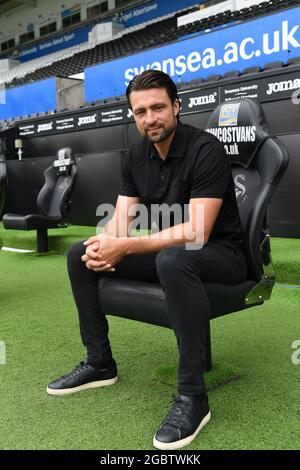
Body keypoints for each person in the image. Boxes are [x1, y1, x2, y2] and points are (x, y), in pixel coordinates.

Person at [47, 70, 248, 450]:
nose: (150, 118)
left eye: (158, 107)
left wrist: (125, 247)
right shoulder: (136, 153)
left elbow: (198, 231)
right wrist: (103, 244)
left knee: (174, 260)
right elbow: (119, 222)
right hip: (173, 254)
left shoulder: (206, 149)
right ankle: (99, 363)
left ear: (176, 106)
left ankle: (193, 397)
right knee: (79, 254)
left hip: (224, 254)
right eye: (140, 112)